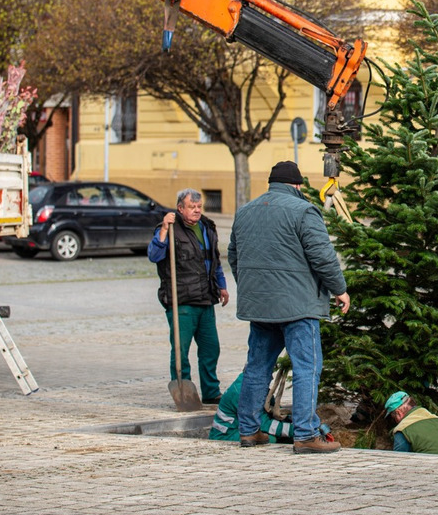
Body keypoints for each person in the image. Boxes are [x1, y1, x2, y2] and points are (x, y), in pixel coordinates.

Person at [226, 161, 350, 454]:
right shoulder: (304, 211)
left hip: (261, 306)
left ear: (271, 184)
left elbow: (234, 255)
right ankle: (306, 435)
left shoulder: (245, 212)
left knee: (257, 367)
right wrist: (339, 289)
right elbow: (322, 256)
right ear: (297, 185)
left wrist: (253, 288)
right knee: (307, 367)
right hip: (298, 307)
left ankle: (249, 431)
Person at [147, 188, 228, 405]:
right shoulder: (171, 228)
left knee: (211, 348)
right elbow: (154, 255)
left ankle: (211, 391)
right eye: (192, 207)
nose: (197, 210)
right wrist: (164, 229)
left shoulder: (207, 227)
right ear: (180, 208)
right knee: (181, 350)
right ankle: (183, 390)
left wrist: (221, 286)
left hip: (206, 298)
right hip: (181, 301)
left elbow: (214, 261)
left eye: (199, 206)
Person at [208, 373, 332, 443]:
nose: (271, 377)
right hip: (225, 436)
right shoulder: (243, 391)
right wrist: (299, 429)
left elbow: (274, 411)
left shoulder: (254, 385)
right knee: (271, 440)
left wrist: (292, 420)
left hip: (238, 430)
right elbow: (265, 424)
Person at [384, 390, 438, 454]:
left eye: (393, 417)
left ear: (398, 413)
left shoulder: (403, 429)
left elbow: (398, 461)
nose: (395, 421)